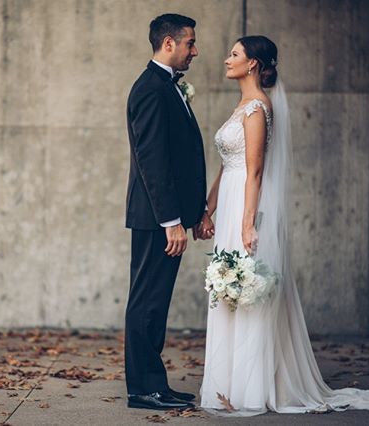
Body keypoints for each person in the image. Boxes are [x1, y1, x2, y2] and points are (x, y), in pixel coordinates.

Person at [199, 35, 369, 416]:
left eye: (234, 54)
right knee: (229, 293)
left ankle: (252, 389)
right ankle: (227, 385)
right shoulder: (240, 106)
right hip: (230, 206)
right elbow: (226, 168)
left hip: (247, 207)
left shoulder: (258, 108)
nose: (226, 59)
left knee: (249, 292)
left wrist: (247, 223)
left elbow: (255, 172)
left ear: (253, 63)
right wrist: (206, 211)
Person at [124, 13, 214, 410]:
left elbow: (181, 156)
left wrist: (194, 214)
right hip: (156, 219)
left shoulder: (167, 87)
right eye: (190, 43)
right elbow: (153, 160)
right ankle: (143, 389)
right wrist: (172, 222)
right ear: (168, 44)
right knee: (147, 302)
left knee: (155, 303)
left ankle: (154, 383)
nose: (195, 50)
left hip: (168, 217)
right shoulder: (150, 89)